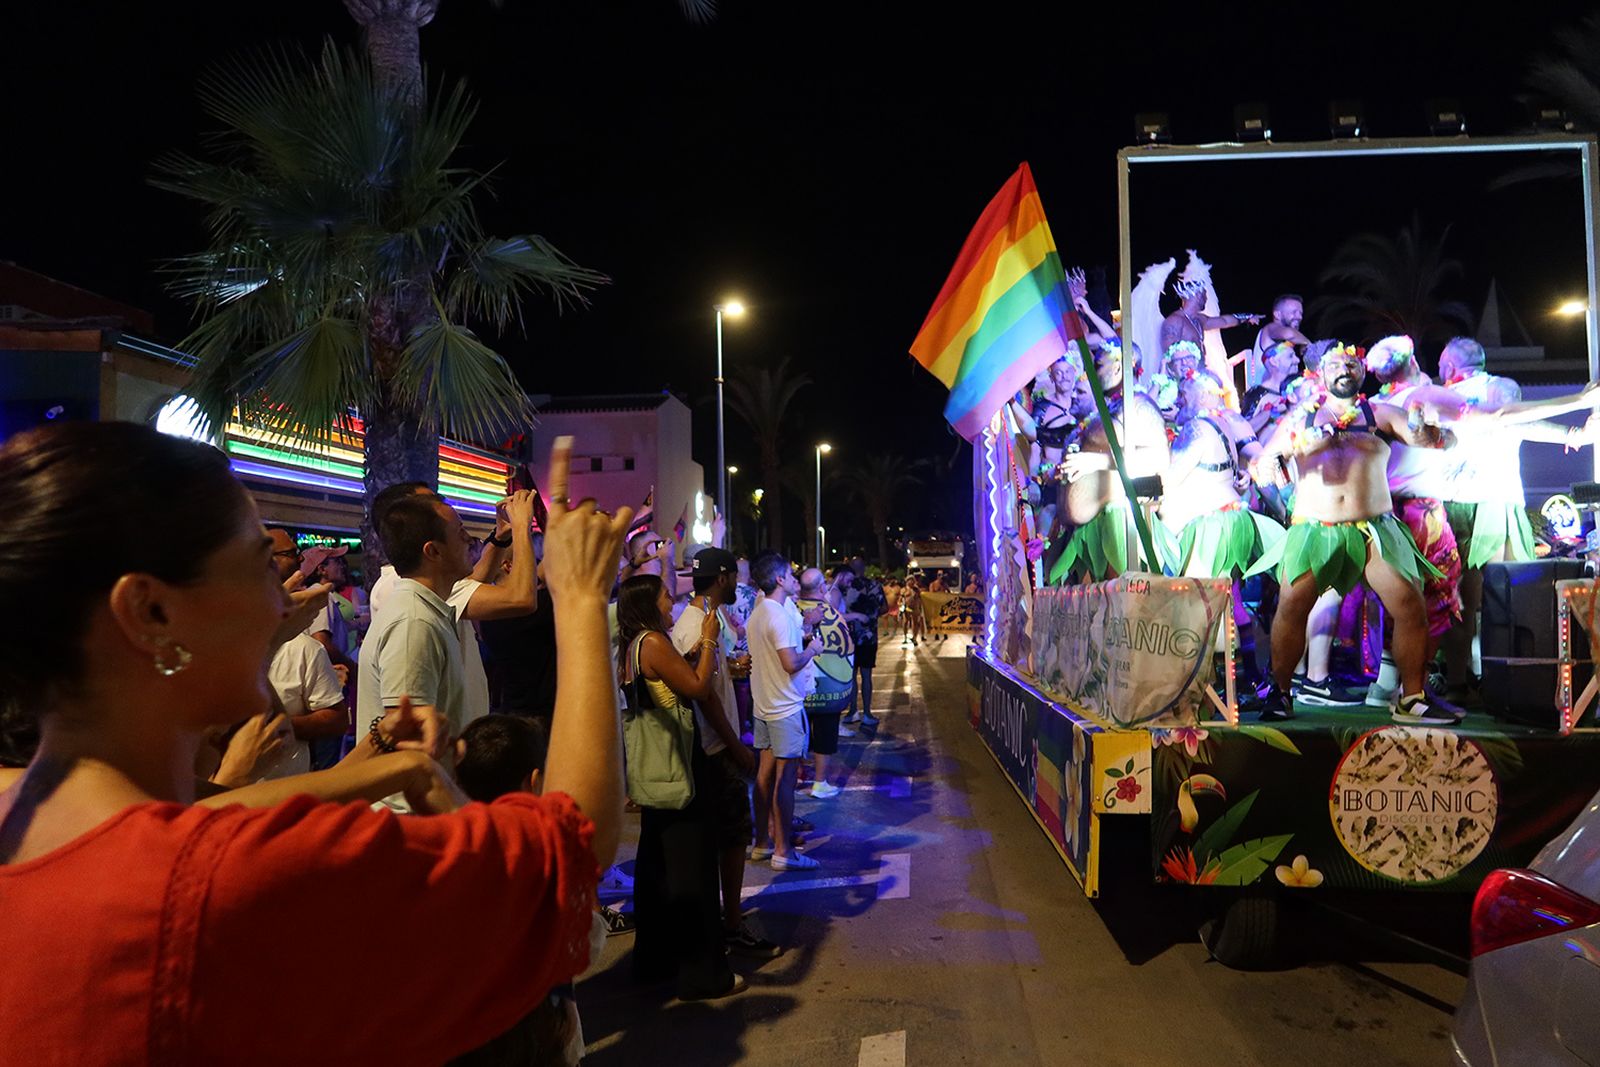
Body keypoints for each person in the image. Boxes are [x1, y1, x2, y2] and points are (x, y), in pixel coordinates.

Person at [0, 425, 629, 1063]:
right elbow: (569, 845)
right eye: (256, 567)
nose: (283, 599)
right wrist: (580, 598)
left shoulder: (31, 813)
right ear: (150, 613)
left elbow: (206, 808)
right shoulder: (227, 882)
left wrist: (395, 766)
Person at [1247, 343, 1464, 725]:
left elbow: (1439, 440)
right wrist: (1279, 466)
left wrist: (1424, 428)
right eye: (1336, 365)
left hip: (1374, 531)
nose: (1344, 369)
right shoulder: (1302, 418)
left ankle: (1412, 699)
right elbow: (1264, 463)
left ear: (1362, 372)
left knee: (1411, 606)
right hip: (1315, 529)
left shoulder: (1380, 413)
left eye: (1351, 364)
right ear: (1321, 373)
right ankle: (1280, 693)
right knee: (1292, 607)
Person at [617, 573, 745, 1000]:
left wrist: (690, 654)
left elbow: (665, 686)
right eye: (666, 596)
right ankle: (702, 975)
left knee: (657, 869)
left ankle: (656, 961)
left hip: (655, 770)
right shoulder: (653, 641)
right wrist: (709, 640)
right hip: (678, 767)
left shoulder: (633, 645)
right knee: (693, 873)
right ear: (649, 604)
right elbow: (696, 687)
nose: (672, 603)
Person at [668, 548, 777, 960]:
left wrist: (729, 669)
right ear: (723, 578)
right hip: (714, 750)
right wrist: (737, 747)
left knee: (721, 839)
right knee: (731, 839)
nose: (738, 584)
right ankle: (730, 924)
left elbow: (706, 679)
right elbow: (705, 698)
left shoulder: (694, 620)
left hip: (711, 746)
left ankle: (723, 923)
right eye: (735, 576)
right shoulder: (702, 626)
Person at [371, 486, 541, 728]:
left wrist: (503, 535)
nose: (468, 538)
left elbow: (472, 582)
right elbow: (520, 597)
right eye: (458, 530)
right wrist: (523, 527)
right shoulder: (408, 606)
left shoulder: (421, 584)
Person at [1051, 341, 1171, 583]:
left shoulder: (1140, 405)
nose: (1093, 372)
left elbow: (1157, 460)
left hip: (1121, 526)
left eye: (1098, 365)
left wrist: (1093, 462)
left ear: (1119, 367)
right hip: (1089, 531)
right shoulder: (1108, 409)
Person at [747, 553, 824, 872]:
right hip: (784, 708)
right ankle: (783, 850)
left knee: (764, 777)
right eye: (790, 574)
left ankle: (762, 844)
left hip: (764, 705)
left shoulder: (760, 612)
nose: (795, 578)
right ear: (778, 579)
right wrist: (812, 650)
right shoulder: (777, 615)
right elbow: (790, 663)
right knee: (785, 780)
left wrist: (801, 638)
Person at [796, 568, 854, 797]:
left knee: (800, 731)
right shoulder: (832, 613)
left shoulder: (790, 611)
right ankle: (820, 782)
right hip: (829, 688)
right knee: (825, 730)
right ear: (821, 588)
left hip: (799, 685)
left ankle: (799, 774)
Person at [839, 557, 885, 729]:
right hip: (868, 637)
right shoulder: (875, 585)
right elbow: (885, 607)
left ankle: (852, 711)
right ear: (864, 568)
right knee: (866, 676)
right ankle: (867, 712)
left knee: (851, 676)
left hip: (848, 637)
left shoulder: (845, 586)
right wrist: (872, 616)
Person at [1240, 294, 1310, 391]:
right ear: (1277, 314)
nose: (1299, 317)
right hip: (1267, 397)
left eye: (1300, 313)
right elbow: (1290, 334)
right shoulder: (1271, 328)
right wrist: (1307, 342)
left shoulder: (1286, 343)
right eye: (1294, 312)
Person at [1242, 341, 1302, 438]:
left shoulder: (1299, 386)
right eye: (1290, 356)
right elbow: (1242, 432)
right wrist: (1271, 411)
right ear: (1274, 361)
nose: (1297, 360)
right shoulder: (1258, 393)